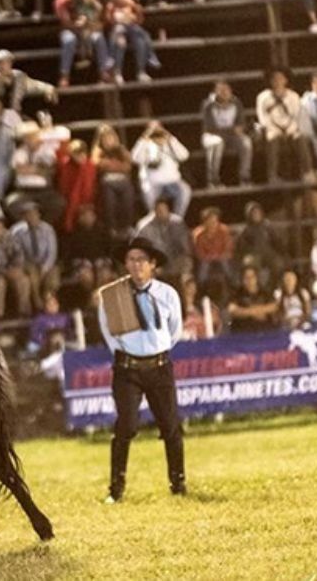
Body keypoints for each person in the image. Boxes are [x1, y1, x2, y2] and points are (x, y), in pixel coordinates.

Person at [97, 237, 186, 502]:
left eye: (141, 260)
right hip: (128, 369)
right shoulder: (113, 296)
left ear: (152, 264)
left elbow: (175, 329)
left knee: (170, 425)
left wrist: (156, 349)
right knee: (126, 426)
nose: (136, 266)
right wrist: (129, 350)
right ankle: (116, 487)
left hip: (159, 366)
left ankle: (178, 482)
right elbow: (108, 332)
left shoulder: (167, 293)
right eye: (131, 260)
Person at [53, 0, 112, 88]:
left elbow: (99, 14)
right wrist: (79, 24)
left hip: (88, 28)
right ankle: (65, 75)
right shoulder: (60, 1)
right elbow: (66, 22)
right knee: (69, 40)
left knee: (98, 38)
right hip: (69, 30)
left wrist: (94, 4)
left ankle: (104, 72)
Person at [256, 67, 310, 182]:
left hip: (290, 128)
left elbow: (297, 117)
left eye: (280, 78)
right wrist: (277, 130)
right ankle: (272, 176)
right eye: (274, 79)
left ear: (286, 80)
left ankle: (306, 172)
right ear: (270, 81)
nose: (277, 81)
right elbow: (263, 118)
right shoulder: (262, 97)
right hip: (272, 130)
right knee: (273, 140)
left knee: (299, 138)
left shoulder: (293, 96)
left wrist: (289, 129)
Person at [131, 121, 191, 216]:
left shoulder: (170, 144)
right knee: (148, 193)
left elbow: (185, 155)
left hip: (172, 182)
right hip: (152, 183)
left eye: (158, 129)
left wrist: (170, 138)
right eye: (153, 130)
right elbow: (134, 158)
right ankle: (155, 220)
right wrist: (144, 138)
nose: (156, 133)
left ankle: (176, 220)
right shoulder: (145, 145)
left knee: (185, 190)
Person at [105, 0, 159, 83]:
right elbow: (108, 22)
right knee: (120, 41)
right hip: (118, 32)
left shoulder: (131, 5)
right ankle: (117, 72)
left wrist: (134, 15)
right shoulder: (111, 6)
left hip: (132, 29)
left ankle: (141, 72)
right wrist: (117, 20)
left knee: (141, 41)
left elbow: (140, 20)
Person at [200, 80, 251, 187]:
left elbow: (241, 124)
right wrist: (230, 130)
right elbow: (210, 128)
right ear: (215, 92)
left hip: (231, 136)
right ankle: (213, 180)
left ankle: (244, 177)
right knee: (217, 142)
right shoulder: (208, 105)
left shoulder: (237, 103)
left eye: (226, 90)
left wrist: (234, 130)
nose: (224, 93)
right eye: (220, 90)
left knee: (246, 142)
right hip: (211, 135)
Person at [10, 202, 59, 310]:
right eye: (28, 215)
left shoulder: (48, 229)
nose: (31, 217)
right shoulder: (17, 231)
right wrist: (25, 265)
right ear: (24, 217)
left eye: (33, 214)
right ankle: (37, 302)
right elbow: (18, 252)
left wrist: (44, 268)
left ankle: (50, 303)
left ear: (38, 215)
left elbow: (52, 252)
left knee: (53, 278)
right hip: (28, 263)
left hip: (46, 262)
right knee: (32, 275)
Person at [0, 49, 57, 115]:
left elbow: (34, 85)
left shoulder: (18, 77)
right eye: (0, 63)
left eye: (6, 62)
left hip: (14, 115)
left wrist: (48, 88)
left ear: (11, 63)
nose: (3, 66)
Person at [92, 124, 136, 236]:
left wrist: (110, 165)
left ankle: (127, 226)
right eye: (106, 138)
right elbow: (97, 164)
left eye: (110, 137)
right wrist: (117, 165)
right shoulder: (98, 151)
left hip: (123, 180)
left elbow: (127, 166)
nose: (109, 141)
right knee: (109, 200)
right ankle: (112, 228)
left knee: (128, 197)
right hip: (107, 181)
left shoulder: (121, 149)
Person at [136, 198, 194, 282]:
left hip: (174, 259)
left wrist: (183, 258)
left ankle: (186, 293)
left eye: (164, 210)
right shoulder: (144, 227)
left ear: (168, 210)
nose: (162, 213)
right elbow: (140, 250)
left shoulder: (177, 223)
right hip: (155, 261)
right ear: (154, 211)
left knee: (187, 263)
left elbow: (185, 247)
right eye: (159, 210)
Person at [228, 265, 278, 332]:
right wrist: (255, 311)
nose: (249, 280)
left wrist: (247, 311)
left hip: (265, 331)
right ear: (242, 279)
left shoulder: (265, 292)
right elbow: (233, 311)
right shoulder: (236, 294)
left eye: (252, 276)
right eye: (246, 277)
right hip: (243, 333)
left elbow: (274, 306)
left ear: (256, 278)